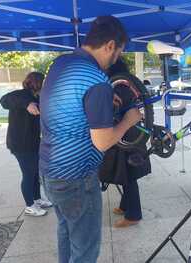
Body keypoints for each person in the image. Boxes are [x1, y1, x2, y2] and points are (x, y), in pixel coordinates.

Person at [39, 16, 142, 263]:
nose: (116, 58)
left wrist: (103, 104)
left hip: (49, 171)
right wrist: (128, 120)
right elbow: (103, 141)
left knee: (66, 232)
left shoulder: (60, 64)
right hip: (76, 178)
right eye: (118, 52)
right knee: (85, 250)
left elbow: (67, 105)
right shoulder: (96, 79)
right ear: (109, 46)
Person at [101, 58, 151, 228]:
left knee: (128, 175)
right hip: (131, 133)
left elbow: (115, 109)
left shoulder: (119, 86)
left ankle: (133, 215)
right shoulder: (128, 83)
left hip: (126, 135)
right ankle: (124, 206)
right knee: (126, 173)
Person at [0, 72, 52, 217]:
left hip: (33, 143)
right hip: (20, 145)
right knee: (28, 174)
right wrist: (27, 104)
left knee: (35, 172)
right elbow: (4, 100)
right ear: (38, 83)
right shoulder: (21, 95)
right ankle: (29, 205)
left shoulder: (39, 98)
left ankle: (37, 199)